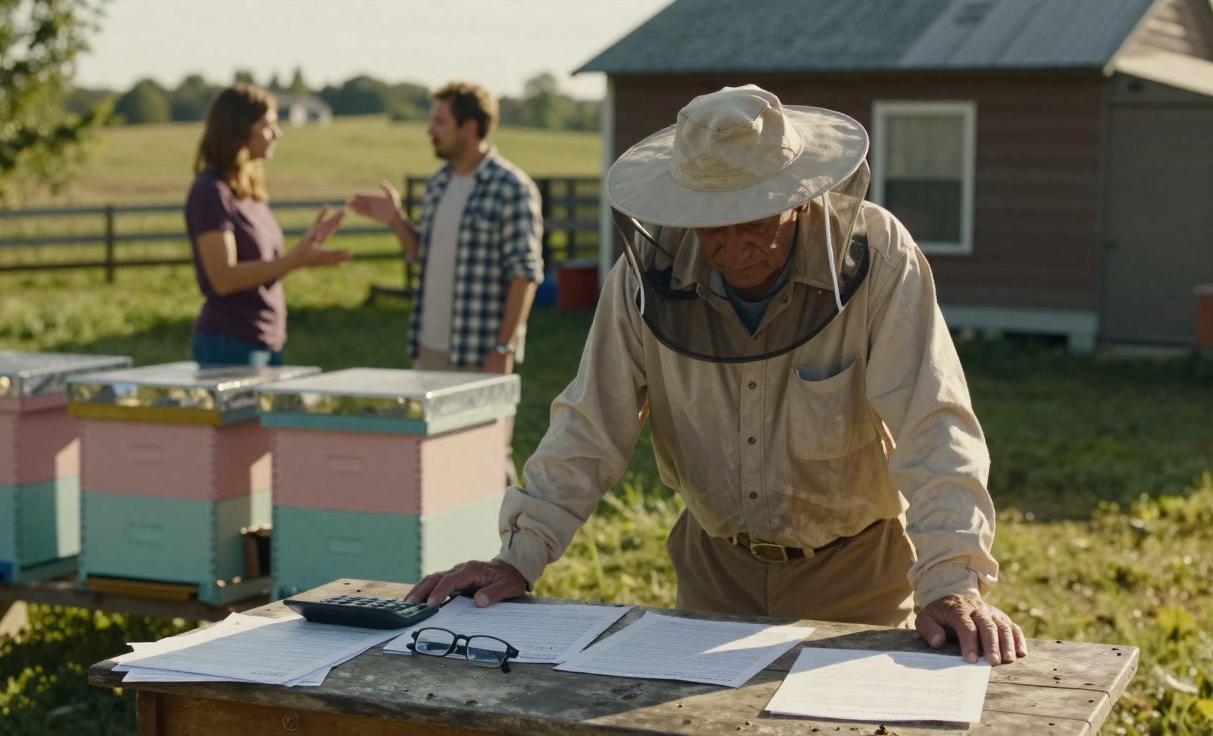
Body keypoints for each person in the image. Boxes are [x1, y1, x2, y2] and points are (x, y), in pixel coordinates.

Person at [406, 85, 1029, 667]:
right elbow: (590, 423)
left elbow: (933, 421)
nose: (733, 244)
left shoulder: (878, 258)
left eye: (755, 217)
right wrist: (517, 558)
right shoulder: (644, 278)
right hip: (714, 566)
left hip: (857, 567)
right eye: (712, 220)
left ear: (799, 198)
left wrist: (951, 580)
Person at [350, 82, 544, 481]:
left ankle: (507, 541)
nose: (430, 130)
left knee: (487, 458)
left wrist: (502, 347)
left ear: (469, 127)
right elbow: (424, 252)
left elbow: (525, 274)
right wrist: (396, 221)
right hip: (430, 348)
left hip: (480, 350)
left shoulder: (512, 188)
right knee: (438, 459)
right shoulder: (438, 183)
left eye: (440, 121)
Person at [186, 83, 352, 367]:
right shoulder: (211, 192)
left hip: (263, 340)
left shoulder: (248, 191)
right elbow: (223, 278)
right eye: (268, 125)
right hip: (231, 344)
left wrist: (302, 250)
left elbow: (264, 267)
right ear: (239, 129)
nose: (277, 134)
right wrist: (295, 260)